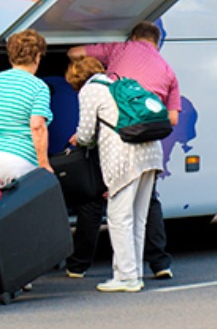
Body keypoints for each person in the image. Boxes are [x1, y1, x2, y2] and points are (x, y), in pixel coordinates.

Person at [67, 20, 177, 279]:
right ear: (156, 41)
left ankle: (91, 267)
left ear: (133, 36)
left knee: (107, 207)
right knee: (145, 209)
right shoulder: (167, 69)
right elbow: (171, 119)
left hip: (120, 146)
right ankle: (157, 264)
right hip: (150, 147)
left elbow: (74, 53)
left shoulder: (118, 52)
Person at [0, 29, 53, 186]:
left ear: (11, 57)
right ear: (37, 57)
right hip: (20, 161)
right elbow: (37, 126)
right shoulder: (38, 87)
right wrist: (44, 164)